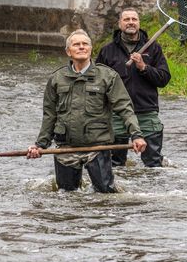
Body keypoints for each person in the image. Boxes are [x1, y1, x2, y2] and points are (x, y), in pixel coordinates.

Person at [27, 30, 147, 192]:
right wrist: (40, 145)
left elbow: (125, 108)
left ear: (91, 49)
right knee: (67, 196)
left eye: (85, 44)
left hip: (97, 147)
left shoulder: (108, 76)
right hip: (65, 147)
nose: (81, 47)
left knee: (105, 194)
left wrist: (136, 135)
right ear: (68, 51)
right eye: (76, 44)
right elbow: (49, 115)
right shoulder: (56, 78)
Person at [96, 9, 171, 168]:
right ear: (119, 24)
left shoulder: (153, 48)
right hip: (117, 115)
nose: (131, 22)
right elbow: (97, 84)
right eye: (126, 19)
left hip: (147, 113)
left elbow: (164, 79)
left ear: (139, 23)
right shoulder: (107, 51)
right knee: (114, 166)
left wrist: (143, 67)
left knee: (153, 166)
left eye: (134, 19)